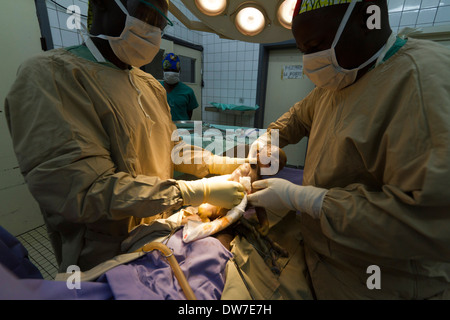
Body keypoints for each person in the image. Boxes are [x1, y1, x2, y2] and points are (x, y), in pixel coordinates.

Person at [4, 0, 246, 273]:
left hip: (159, 233)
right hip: (104, 256)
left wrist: (217, 164)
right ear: (103, 6)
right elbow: (85, 192)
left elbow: (173, 148)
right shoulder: (52, 77)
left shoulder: (149, 85)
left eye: (159, 24)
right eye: (145, 18)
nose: (153, 31)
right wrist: (192, 191)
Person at [248, 0, 450, 299]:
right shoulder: (337, 83)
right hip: (325, 258)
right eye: (303, 50)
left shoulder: (423, 80)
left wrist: (308, 200)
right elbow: (296, 119)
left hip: (384, 279)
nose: (309, 62)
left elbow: (428, 225)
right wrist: (268, 140)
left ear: (368, 19)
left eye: (316, 45)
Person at [160, 53, 199, 121]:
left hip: (181, 129)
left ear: (179, 71)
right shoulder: (156, 88)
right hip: (161, 128)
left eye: (174, 71)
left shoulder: (188, 91)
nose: (171, 74)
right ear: (163, 70)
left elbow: (189, 114)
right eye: (168, 70)